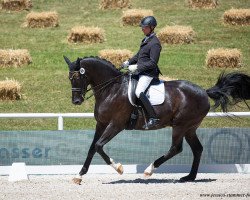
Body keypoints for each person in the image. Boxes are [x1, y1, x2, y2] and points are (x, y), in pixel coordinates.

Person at [122, 16, 162, 129]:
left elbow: (152, 63)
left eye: (144, 27)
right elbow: (139, 55)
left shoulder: (155, 43)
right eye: (142, 27)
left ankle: (153, 118)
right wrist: (128, 62)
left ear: (152, 27)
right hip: (141, 71)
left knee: (139, 91)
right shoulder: (146, 40)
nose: (142, 29)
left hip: (148, 73)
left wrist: (136, 67)